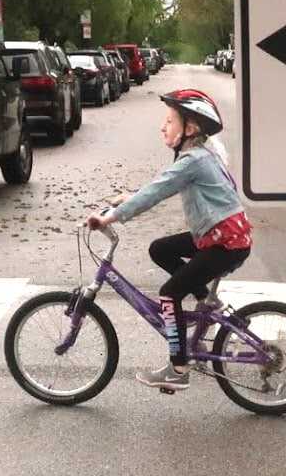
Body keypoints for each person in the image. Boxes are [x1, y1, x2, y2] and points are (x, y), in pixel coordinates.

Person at [86, 88, 252, 392]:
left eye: (170, 121)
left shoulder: (193, 161)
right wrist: (129, 198)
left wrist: (109, 217)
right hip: (221, 236)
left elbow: (156, 191)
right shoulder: (198, 156)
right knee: (160, 250)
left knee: (169, 293)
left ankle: (178, 369)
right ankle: (205, 301)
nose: (163, 127)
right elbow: (160, 186)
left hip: (224, 242)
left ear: (189, 128)